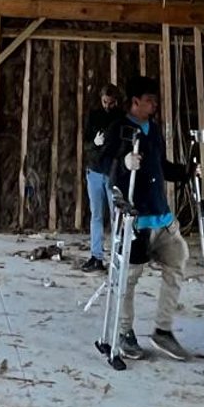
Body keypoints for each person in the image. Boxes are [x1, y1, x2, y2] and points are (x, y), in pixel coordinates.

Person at [101, 75, 194, 360]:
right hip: (135, 221)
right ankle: (125, 333)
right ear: (135, 102)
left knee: (178, 260)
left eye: (156, 100)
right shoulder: (119, 127)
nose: (155, 105)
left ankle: (162, 331)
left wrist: (186, 172)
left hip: (162, 218)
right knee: (129, 279)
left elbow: (160, 166)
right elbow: (102, 161)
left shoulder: (153, 129)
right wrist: (123, 163)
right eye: (150, 100)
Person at [82, 84, 124, 273]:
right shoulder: (94, 116)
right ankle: (96, 257)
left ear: (116, 101)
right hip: (94, 171)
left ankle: (116, 259)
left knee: (117, 217)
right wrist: (94, 143)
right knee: (96, 216)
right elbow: (85, 144)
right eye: (105, 102)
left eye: (111, 103)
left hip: (112, 173)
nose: (107, 105)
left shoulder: (122, 119)